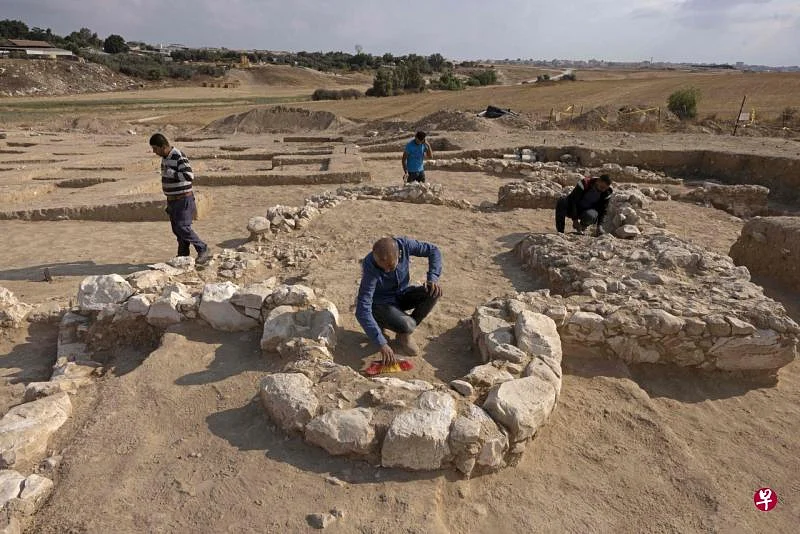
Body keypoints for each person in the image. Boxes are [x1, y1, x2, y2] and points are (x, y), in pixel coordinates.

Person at [356, 237, 443, 365]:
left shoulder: (404, 245)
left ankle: (403, 334)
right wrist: (381, 343)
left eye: (390, 267)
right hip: (381, 304)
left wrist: (433, 278)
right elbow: (362, 309)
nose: (386, 271)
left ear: (399, 255)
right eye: (382, 268)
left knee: (433, 292)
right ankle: (386, 323)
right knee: (408, 324)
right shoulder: (371, 267)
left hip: (401, 294)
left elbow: (434, 250)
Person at [149, 133, 212, 264]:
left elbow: (189, 176)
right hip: (172, 200)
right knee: (177, 230)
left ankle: (203, 249)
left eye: (155, 148)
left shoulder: (178, 156)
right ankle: (183, 255)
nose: (154, 152)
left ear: (163, 146)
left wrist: (171, 173)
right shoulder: (165, 158)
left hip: (183, 199)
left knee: (183, 227)